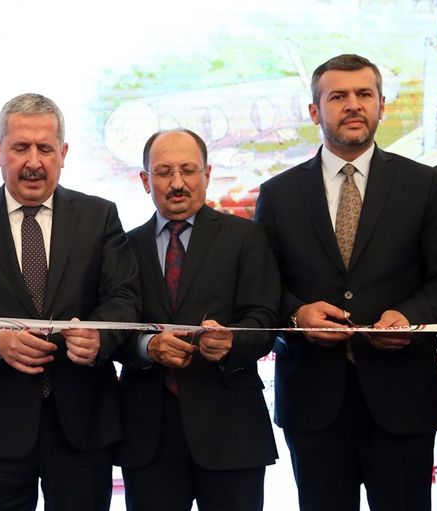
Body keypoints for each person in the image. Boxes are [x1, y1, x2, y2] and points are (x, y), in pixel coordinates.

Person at [253, 54, 437, 511]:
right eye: (338, 96)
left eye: (364, 94)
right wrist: (297, 313)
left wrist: (410, 317)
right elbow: (260, 284)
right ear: (314, 111)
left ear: (382, 105)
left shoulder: (423, 184)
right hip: (313, 399)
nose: (353, 104)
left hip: (402, 398)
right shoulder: (278, 194)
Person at [0, 93, 139, 511]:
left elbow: (123, 296)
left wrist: (100, 337)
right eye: (20, 147)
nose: (33, 161)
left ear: (63, 153)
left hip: (83, 424)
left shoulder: (99, 216)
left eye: (45, 148)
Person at [115, 129, 280, 511]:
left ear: (207, 174)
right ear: (145, 180)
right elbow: (113, 326)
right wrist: (146, 346)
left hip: (231, 429)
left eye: (188, 170)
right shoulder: (123, 246)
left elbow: (265, 319)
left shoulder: (246, 237)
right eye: (164, 172)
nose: (177, 183)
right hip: (148, 435)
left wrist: (233, 341)